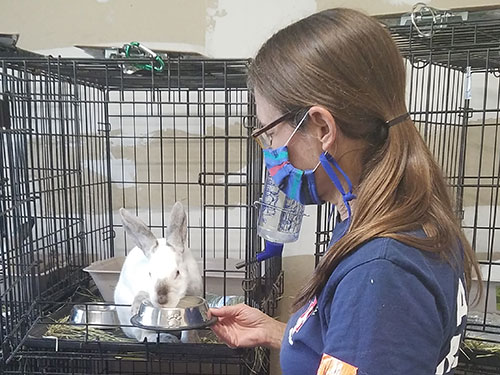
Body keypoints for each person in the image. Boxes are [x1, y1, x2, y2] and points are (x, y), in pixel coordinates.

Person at [209, 8, 481, 375]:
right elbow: (362, 345)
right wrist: (278, 333)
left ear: (322, 127)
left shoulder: (382, 269)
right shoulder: (396, 214)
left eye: (270, 133)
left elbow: (373, 329)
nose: (270, 150)